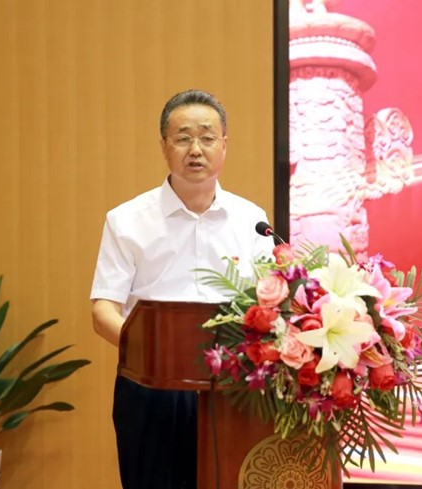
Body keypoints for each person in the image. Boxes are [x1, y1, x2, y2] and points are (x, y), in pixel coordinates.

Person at [90, 89, 274, 489]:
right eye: (183, 138)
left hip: (232, 386)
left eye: (207, 138)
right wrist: (152, 352)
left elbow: (270, 304)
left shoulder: (252, 220)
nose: (196, 149)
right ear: (164, 146)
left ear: (224, 145)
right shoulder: (127, 220)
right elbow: (103, 310)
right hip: (151, 386)